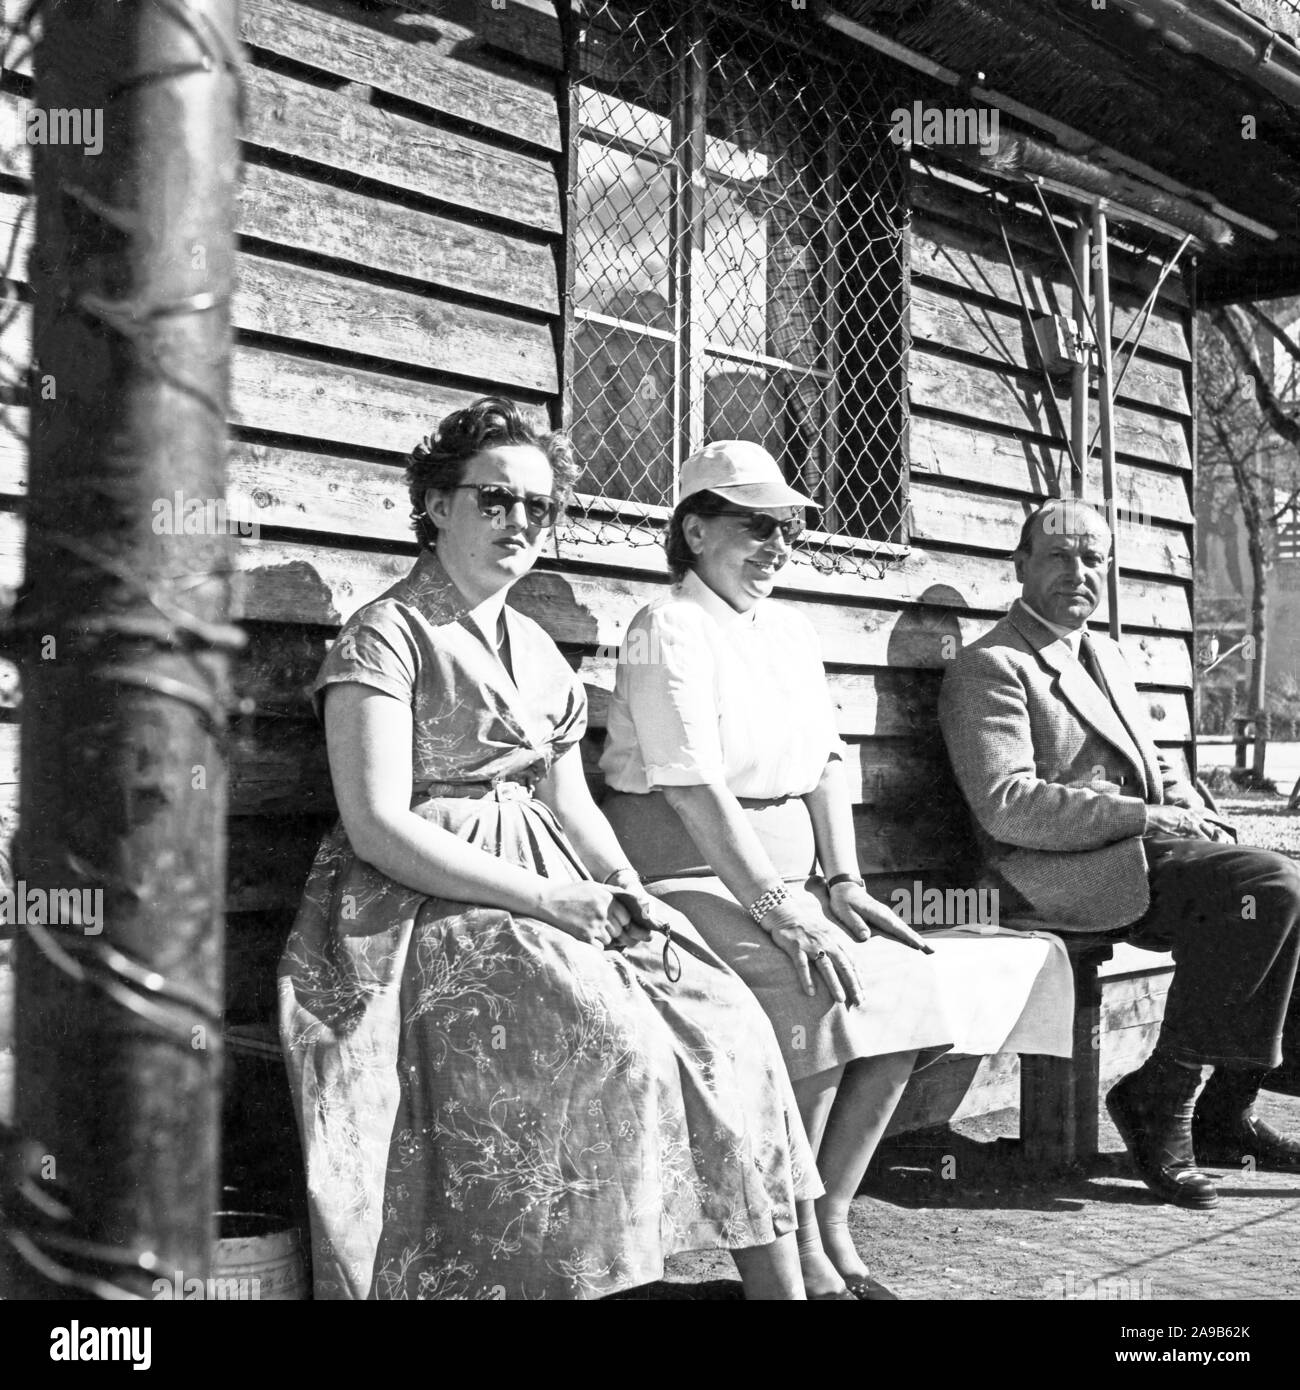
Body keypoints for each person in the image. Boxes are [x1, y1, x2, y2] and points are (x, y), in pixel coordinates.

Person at [278, 399, 823, 1300]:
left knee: (726, 1016)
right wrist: (549, 901)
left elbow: (570, 802)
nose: (520, 523)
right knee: (610, 1036)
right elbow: (376, 824)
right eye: (495, 500)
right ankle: (577, 1281)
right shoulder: (388, 635)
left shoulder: (532, 643)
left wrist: (622, 887)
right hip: (420, 903)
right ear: (436, 504)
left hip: (555, 884)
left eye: (539, 507)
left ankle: (785, 1291)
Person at [600, 440, 1072, 1299]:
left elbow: (825, 761)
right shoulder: (663, 627)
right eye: (755, 527)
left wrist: (844, 884)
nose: (777, 546)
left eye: (788, 530)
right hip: (680, 874)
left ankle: (832, 1214)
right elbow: (693, 788)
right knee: (808, 991)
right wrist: (784, 908)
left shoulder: (787, 628)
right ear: (695, 529)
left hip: (789, 880)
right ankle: (787, 1239)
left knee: (904, 989)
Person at [939, 497, 1300, 1210]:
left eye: (1094, 558)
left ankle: (1227, 1111)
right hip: (1047, 874)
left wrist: (1195, 811)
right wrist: (1145, 814)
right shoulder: (994, 665)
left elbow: (1158, 766)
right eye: (1060, 556)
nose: (1080, 572)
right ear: (1020, 566)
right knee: (1270, 885)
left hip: (1132, 858)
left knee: (1281, 887)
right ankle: (1162, 1094)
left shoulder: (1102, 653)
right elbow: (1006, 804)